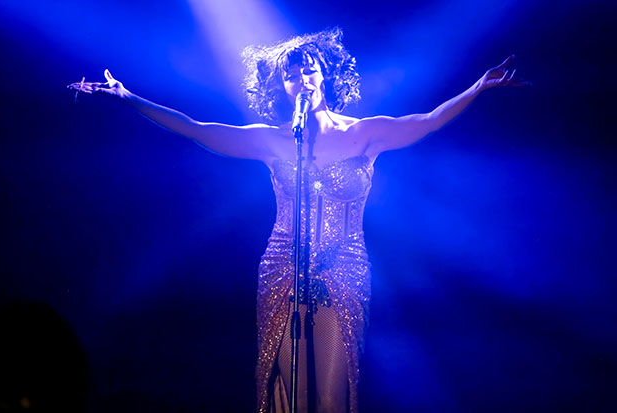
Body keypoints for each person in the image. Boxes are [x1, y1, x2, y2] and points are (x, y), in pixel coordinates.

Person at [69, 27, 529, 413]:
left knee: (329, 394)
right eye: (290, 75)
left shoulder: (363, 133)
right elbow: (198, 130)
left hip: (343, 267)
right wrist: (129, 97)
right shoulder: (274, 139)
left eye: (308, 69)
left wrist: (475, 89)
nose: (301, 79)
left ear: (324, 75)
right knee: (289, 391)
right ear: (282, 88)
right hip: (283, 267)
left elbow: (427, 120)